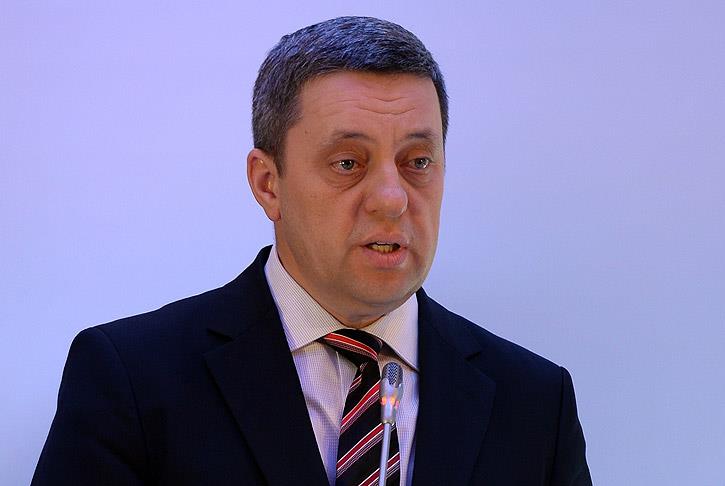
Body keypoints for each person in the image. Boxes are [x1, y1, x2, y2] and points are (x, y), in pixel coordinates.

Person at [32, 16, 591, 486]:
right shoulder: (132, 380)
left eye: (417, 162)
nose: (392, 198)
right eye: (348, 163)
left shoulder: (535, 403)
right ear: (268, 183)